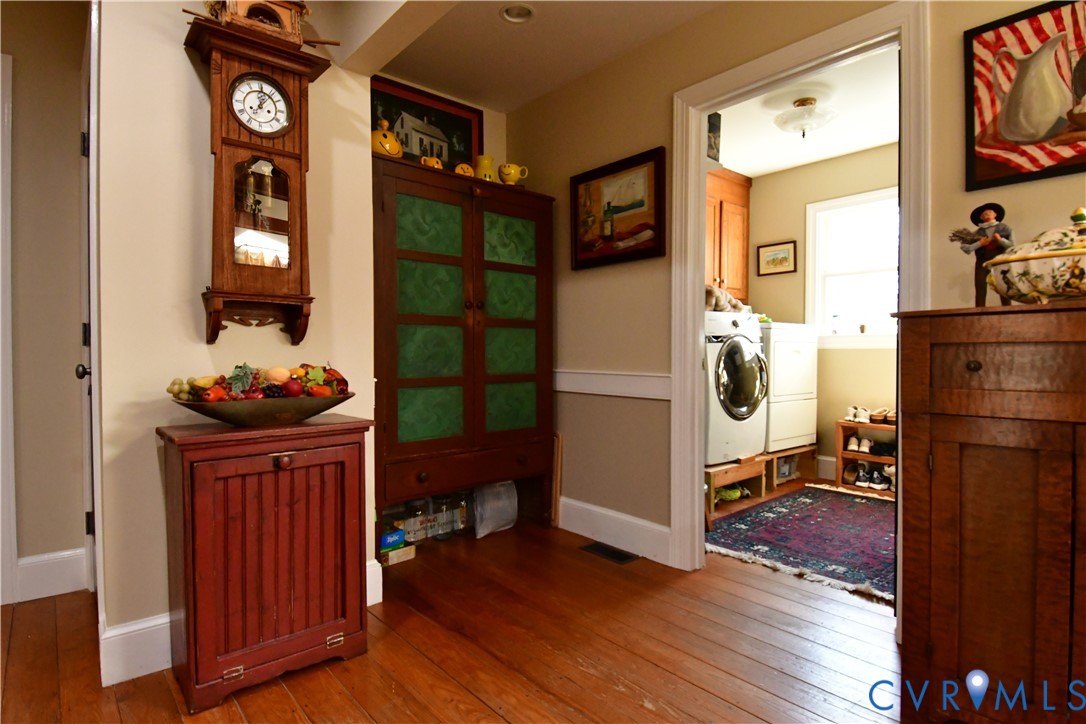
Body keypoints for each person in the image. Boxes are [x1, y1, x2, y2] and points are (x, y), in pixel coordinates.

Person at [960, 202, 1013, 307]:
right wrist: (980, 243)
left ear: (995, 214)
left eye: (989, 212)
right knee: (980, 287)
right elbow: (965, 248)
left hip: (1000, 261)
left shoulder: (1005, 228)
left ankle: (1007, 309)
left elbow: (1012, 245)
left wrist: (1000, 240)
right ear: (981, 218)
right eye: (984, 214)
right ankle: (979, 310)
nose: (987, 214)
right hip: (982, 261)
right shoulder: (977, 233)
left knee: (1003, 286)